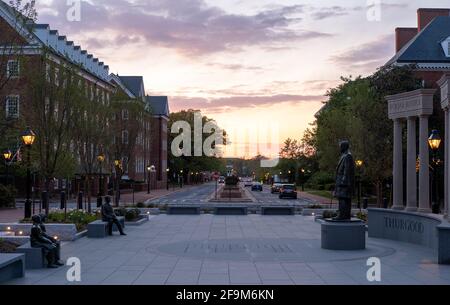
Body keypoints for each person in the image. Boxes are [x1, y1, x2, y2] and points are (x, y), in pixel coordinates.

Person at [333, 140, 355, 221]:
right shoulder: (344, 156)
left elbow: (347, 171)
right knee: (341, 199)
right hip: (341, 181)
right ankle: (342, 215)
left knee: (344, 199)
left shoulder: (348, 156)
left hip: (344, 183)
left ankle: (343, 216)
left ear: (344, 147)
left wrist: (343, 182)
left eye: (341, 146)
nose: (340, 148)